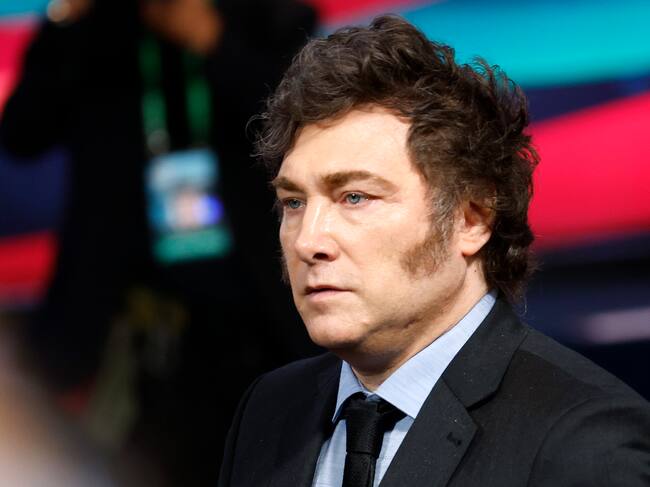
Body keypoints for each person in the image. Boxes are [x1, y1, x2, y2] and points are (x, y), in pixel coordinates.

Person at [218, 14, 650, 487]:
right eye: (294, 202)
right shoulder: (270, 408)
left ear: (471, 219)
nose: (308, 241)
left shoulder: (587, 445)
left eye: (355, 197)